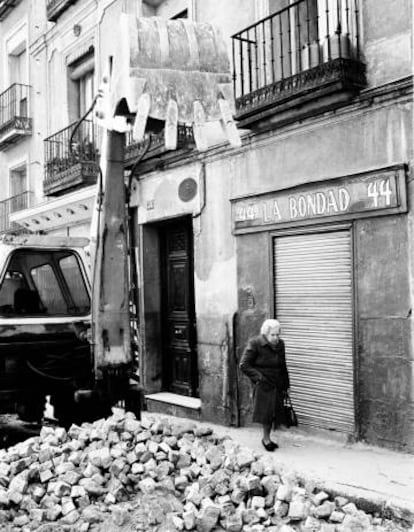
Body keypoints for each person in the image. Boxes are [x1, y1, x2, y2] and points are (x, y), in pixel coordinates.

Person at [239, 318, 290, 451]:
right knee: (266, 413)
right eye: (272, 335)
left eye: (278, 334)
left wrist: (286, 384)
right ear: (265, 334)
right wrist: (259, 378)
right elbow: (244, 365)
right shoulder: (255, 343)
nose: (276, 338)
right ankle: (266, 439)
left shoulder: (281, 345)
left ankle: (268, 438)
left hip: (277, 382)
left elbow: (283, 365)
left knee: (274, 412)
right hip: (263, 384)